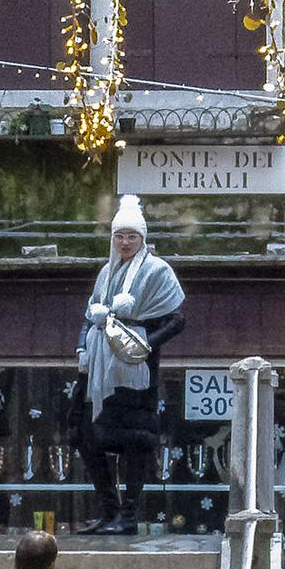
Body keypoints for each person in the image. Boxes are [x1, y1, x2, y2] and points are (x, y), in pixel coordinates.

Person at [72, 194, 186, 535]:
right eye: (120, 236)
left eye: (131, 236)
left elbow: (177, 319)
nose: (125, 242)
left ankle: (129, 516)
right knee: (85, 436)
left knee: (135, 442)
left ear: (143, 238)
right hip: (96, 371)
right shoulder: (106, 273)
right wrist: (81, 348)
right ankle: (110, 511)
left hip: (135, 374)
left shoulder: (157, 270)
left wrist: (145, 344)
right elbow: (89, 314)